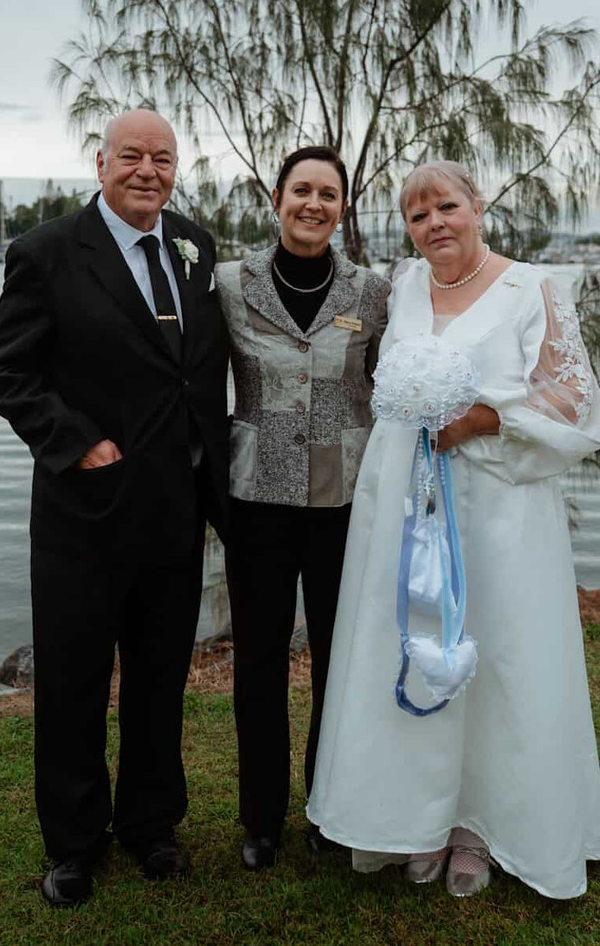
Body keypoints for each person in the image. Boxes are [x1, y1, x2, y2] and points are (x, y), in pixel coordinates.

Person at [308, 160, 600, 900]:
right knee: (411, 641)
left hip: (499, 506)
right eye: (418, 216)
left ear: (478, 206)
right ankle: (420, 815)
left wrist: (484, 417)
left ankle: (482, 825)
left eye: (447, 206)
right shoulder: (404, 288)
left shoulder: (533, 287)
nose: (434, 224)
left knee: (500, 650)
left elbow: (575, 399)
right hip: (405, 504)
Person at [0, 109, 229, 906]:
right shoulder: (47, 253)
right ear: (100, 163)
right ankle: (74, 845)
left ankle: (152, 828)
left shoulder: (195, 247)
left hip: (174, 512)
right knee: (74, 682)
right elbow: (5, 373)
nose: (147, 170)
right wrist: (75, 440)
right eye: (132, 156)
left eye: (162, 158)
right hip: (82, 517)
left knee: (160, 680)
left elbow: (195, 371)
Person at [215, 145, 390, 871]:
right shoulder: (228, 284)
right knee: (257, 663)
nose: (313, 204)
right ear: (277, 198)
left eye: (328, 194)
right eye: (300, 190)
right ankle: (260, 819)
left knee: (337, 664)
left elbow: (392, 389)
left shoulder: (375, 293)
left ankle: (330, 808)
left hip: (344, 502)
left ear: (343, 207)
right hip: (255, 500)